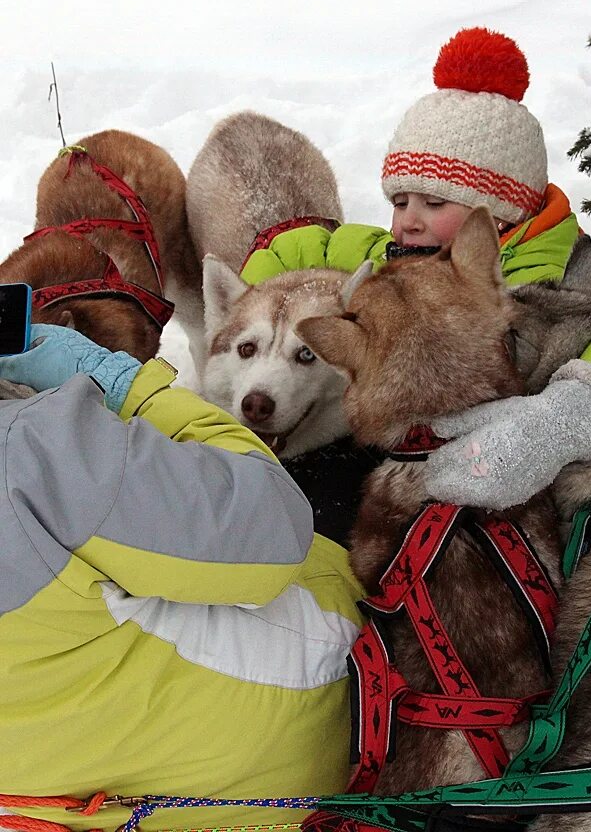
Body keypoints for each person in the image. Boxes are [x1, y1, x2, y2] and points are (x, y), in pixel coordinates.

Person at [238, 27, 591, 510]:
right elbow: (309, 247)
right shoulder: (398, 258)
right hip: (401, 451)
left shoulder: (540, 282)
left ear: (497, 216)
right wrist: (253, 295)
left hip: (489, 483)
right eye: (400, 201)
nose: (409, 221)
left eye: (434, 203)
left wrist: (568, 416)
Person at [0, 325, 364, 832]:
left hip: (124, 805)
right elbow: (270, 527)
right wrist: (130, 389)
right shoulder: (32, 453)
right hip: (337, 715)